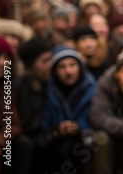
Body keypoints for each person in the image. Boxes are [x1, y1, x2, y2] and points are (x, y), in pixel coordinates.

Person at [40, 45, 96, 173]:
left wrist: (78, 128)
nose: (68, 71)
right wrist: (58, 130)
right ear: (54, 70)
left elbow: (96, 119)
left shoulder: (92, 88)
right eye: (62, 67)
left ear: (79, 67)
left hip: (83, 146)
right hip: (55, 147)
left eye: (72, 65)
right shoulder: (47, 91)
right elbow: (43, 125)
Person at [0, 36, 33, 174]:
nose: (2, 63)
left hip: (1, 143)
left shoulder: (7, 86)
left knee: (23, 145)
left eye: (6, 58)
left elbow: (13, 124)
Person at [14, 37, 52, 172]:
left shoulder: (50, 85)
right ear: (32, 64)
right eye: (44, 61)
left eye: (50, 60)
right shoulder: (18, 88)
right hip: (26, 142)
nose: (49, 65)